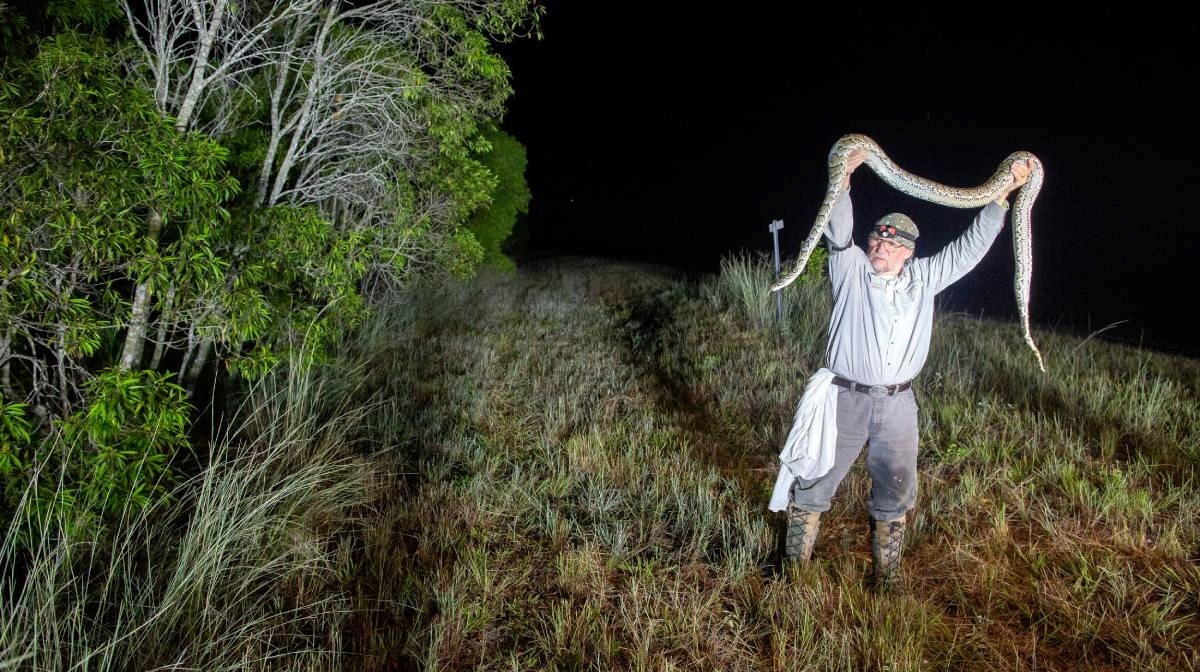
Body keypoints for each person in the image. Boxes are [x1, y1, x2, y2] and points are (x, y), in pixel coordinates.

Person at [783, 148, 1031, 588]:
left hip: (898, 405)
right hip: (844, 399)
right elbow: (838, 231)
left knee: (896, 490)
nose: (879, 247)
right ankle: (793, 573)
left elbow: (967, 251)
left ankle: (886, 580)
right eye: (876, 240)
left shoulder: (925, 278)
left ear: (907, 252)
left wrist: (1003, 194)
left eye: (890, 244)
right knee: (814, 481)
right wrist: (844, 177)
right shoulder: (850, 268)